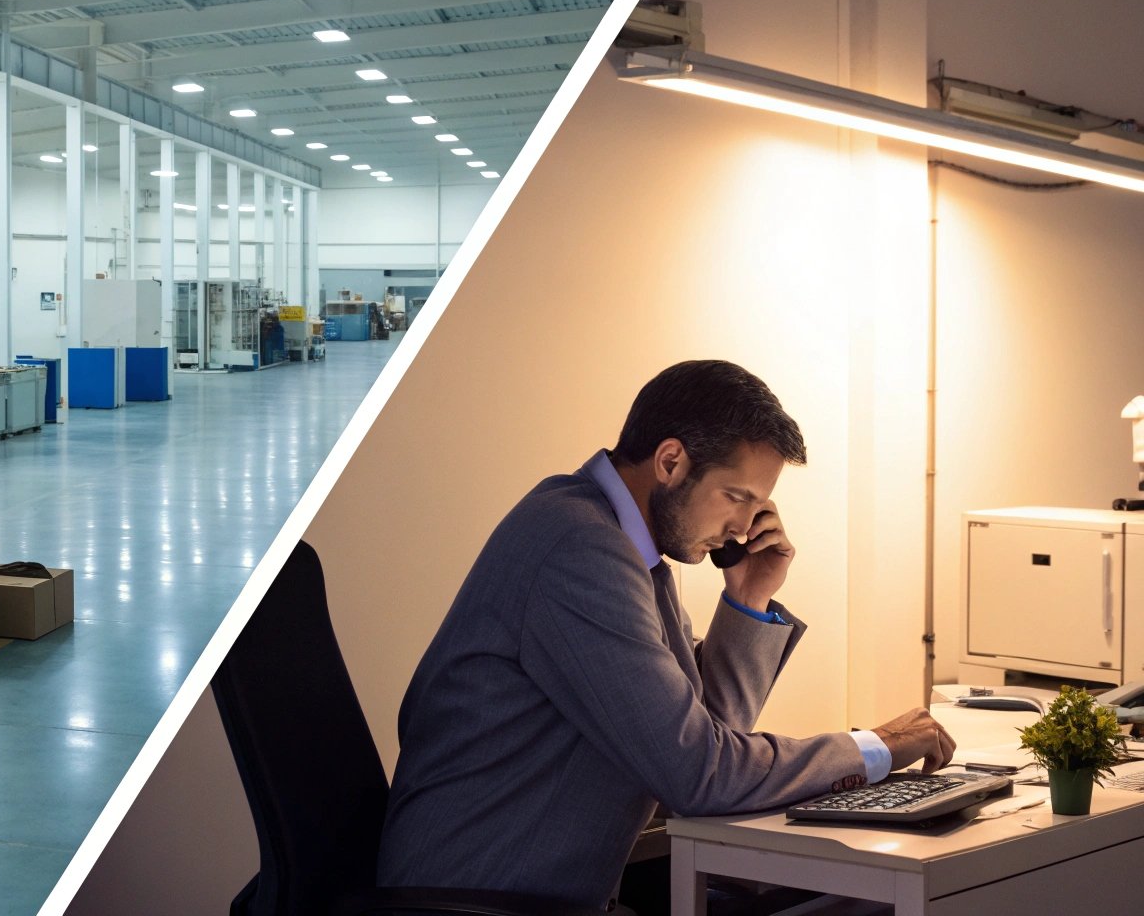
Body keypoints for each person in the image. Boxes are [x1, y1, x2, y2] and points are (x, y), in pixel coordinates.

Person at [376, 360, 954, 911]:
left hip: (536, 893)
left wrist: (747, 599)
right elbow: (699, 773)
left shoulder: (628, 546)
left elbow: (703, 736)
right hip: (477, 898)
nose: (743, 526)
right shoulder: (579, 548)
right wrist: (875, 746)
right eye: (737, 497)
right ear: (671, 461)